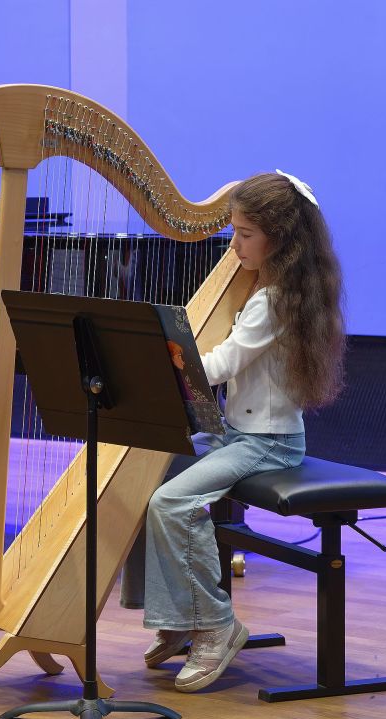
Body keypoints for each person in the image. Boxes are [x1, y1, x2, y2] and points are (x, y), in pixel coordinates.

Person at [141, 170, 346, 692]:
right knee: (148, 479)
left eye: (243, 234)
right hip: (239, 434)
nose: (233, 246)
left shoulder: (273, 300)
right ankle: (179, 619)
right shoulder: (277, 291)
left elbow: (220, 365)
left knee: (170, 502)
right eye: (232, 232)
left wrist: (153, 359)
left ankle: (215, 624)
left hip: (266, 444)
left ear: (281, 239)